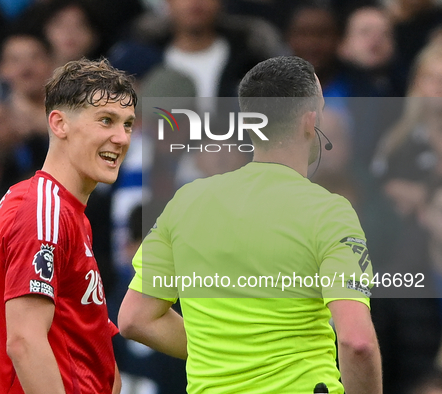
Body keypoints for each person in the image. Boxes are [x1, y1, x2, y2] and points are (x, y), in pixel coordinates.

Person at [118, 56, 382, 394]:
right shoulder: (328, 212)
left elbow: (135, 318)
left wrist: (220, 351)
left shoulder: (187, 202)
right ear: (309, 121)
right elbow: (357, 341)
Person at [0, 58, 137, 394]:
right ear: (59, 123)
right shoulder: (43, 210)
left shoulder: (66, 212)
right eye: (106, 121)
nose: (121, 138)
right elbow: (25, 341)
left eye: (127, 125)